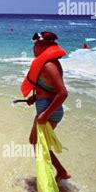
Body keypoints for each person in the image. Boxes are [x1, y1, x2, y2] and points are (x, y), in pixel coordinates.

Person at [23, 31, 70, 182]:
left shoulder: (50, 65)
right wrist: (35, 97)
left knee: (37, 143)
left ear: (43, 46)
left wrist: (45, 114)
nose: (33, 47)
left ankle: (54, 174)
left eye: (35, 44)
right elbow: (50, 89)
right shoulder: (46, 64)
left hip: (50, 110)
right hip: (46, 107)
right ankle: (58, 172)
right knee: (37, 142)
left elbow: (62, 93)